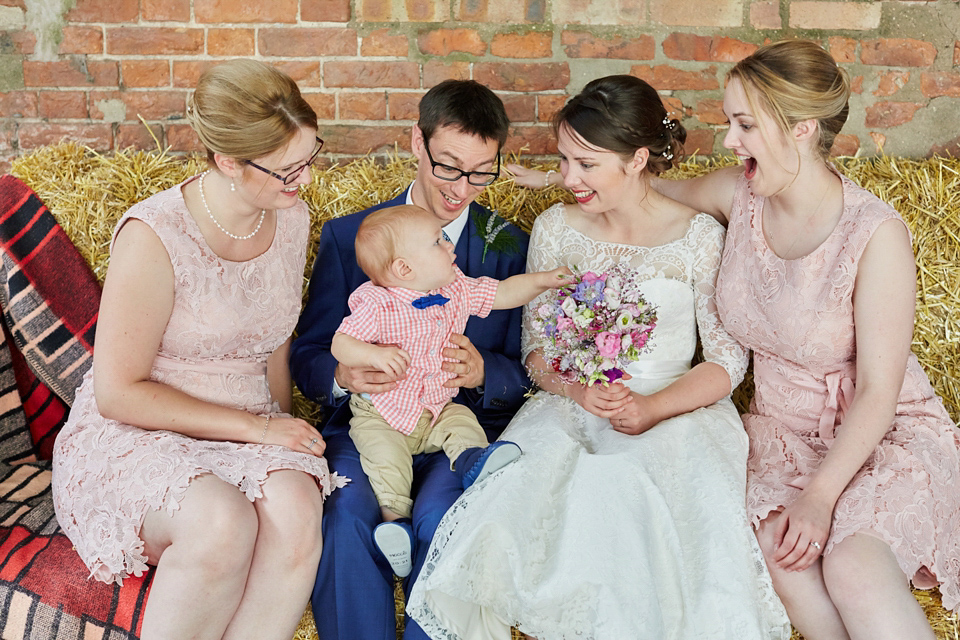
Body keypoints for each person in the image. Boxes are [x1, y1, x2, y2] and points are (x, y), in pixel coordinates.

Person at [521, 39, 960, 640]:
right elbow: (641, 185)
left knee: (854, 568)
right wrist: (572, 173)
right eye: (731, 122)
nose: (729, 140)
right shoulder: (738, 193)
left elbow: (880, 393)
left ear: (802, 128)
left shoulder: (875, 234)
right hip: (779, 435)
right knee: (788, 562)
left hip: (876, 430)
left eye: (744, 125)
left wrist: (820, 499)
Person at [407, 74, 791, 639]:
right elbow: (535, 352)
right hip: (570, 405)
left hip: (675, 415)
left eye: (586, 165)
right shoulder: (557, 228)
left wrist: (655, 407)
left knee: (629, 493)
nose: (567, 179)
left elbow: (727, 363)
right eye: (564, 161)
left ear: (638, 159)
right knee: (518, 513)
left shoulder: (699, 237)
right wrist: (578, 391)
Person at [51, 59, 346, 640]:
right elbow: (117, 393)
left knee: (296, 506)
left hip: (246, 423)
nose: (305, 181)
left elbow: (276, 344)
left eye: (309, 159)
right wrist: (258, 433)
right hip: (139, 431)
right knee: (220, 521)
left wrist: (276, 431)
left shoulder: (291, 217)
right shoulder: (154, 235)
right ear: (228, 160)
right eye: (287, 170)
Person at [290, 80, 531, 640]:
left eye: (481, 172)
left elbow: (530, 368)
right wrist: (342, 374)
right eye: (448, 166)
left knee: (447, 521)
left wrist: (485, 372)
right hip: (369, 428)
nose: (461, 188)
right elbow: (307, 351)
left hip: (458, 434)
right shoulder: (351, 236)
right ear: (416, 145)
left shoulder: (508, 247)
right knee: (346, 515)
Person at [333, 204, 571, 576]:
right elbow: (341, 343)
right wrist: (371, 355)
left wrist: (543, 281)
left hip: (435, 408)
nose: (449, 245)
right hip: (384, 413)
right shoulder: (377, 302)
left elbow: (504, 293)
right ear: (404, 269)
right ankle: (396, 525)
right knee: (386, 463)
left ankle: (473, 460)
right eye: (438, 242)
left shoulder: (456, 288)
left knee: (461, 420)